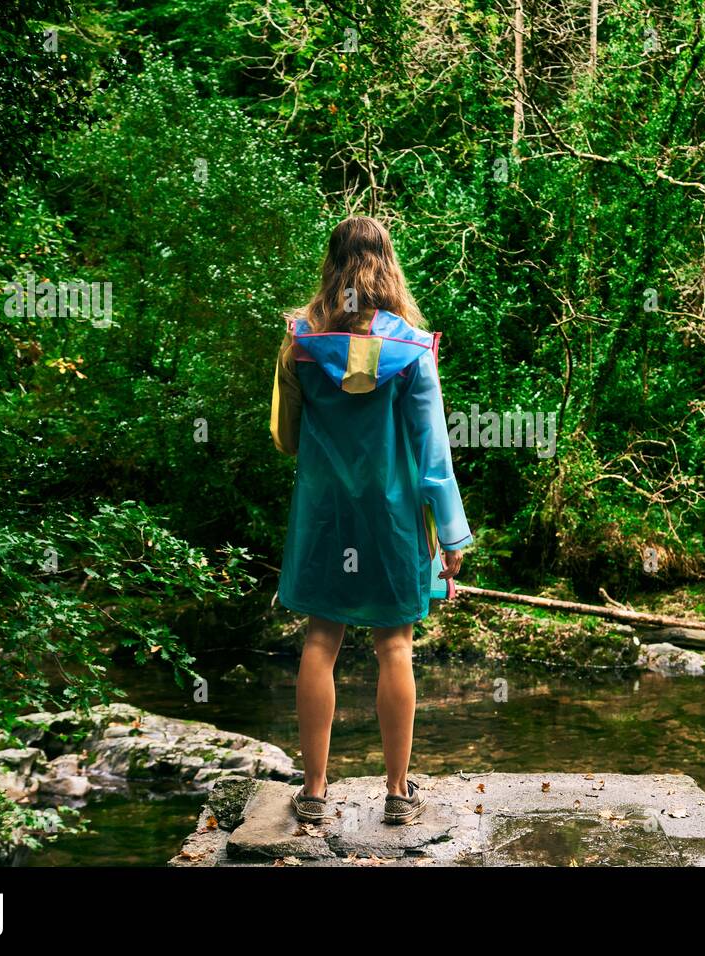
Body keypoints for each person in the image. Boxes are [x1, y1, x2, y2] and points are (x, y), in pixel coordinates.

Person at [271, 215, 472, 825]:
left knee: (320, 639)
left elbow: (285, 437)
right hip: (394, 517)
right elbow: (433, 453)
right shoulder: (410, 347)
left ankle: (312, 793)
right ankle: (396, 793)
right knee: (394, 645)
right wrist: (453, 534)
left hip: (326, 513)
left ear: (332, 264)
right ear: (387, 266)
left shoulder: (301, 341)